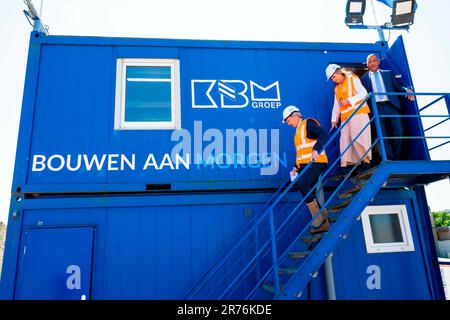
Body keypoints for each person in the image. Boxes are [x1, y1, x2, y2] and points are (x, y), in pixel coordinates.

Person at [282, 105, 330, 234]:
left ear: (295, 116)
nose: (288, 124)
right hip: (304, 165)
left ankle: (320, 220)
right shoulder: (297, 132)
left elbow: (323, 134)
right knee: (309, 192)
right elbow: (301, 153)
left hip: (316, 162)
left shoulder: (307, 124)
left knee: (302, 184)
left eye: (288, 121)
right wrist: (295, 166)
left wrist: (317, 149)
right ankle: (323, 221)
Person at [360, 54, 415, 161]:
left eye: (374, 61)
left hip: (391, 106)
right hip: (376, 109)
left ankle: (397, 157)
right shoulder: (364, 79)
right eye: (370, 62)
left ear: (378, 62)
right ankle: (390, 159)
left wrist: (407, 90)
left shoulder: (388, 74)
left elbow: (397, 87)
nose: (372, 63)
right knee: (382, 135)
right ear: (367, 64)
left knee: (399, 131)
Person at [326, 64, 372, 175]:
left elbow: (364, 93)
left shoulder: (352, 79)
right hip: (345, 117)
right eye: (332, 79)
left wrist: (349, 100)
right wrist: (334, 119)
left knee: (360, 137)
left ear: (338, 72)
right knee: (344, 141)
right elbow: (336, 105)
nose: (333, 80)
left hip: (358, 113)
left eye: (333, 77)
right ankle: (344, 165)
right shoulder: (337, 89)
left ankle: (366, 162)